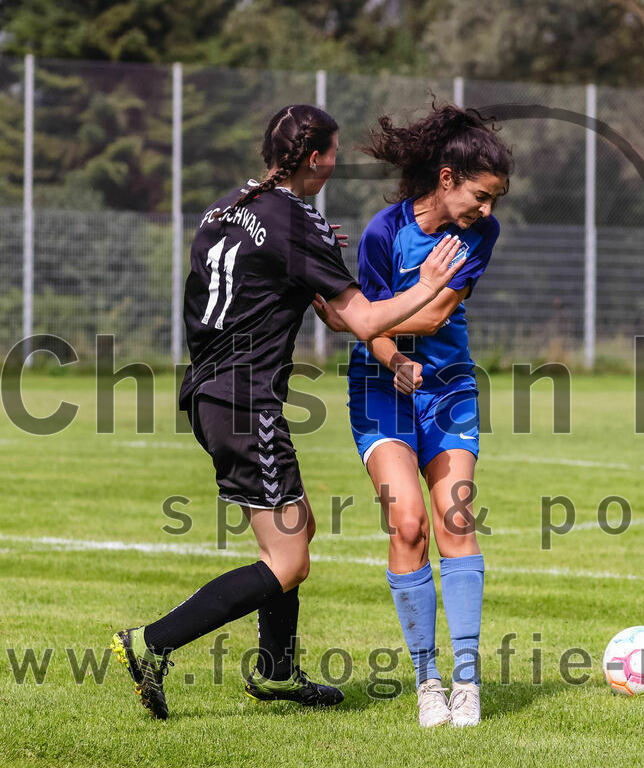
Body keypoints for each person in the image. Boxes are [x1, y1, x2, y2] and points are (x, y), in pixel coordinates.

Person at [111, 104, 465, 719]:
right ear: (312, 158)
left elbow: (261, 276)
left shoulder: (229, 206)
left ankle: (277, 671)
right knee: (288, 560)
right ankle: (151, 643)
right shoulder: (296, 221)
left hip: (210, 390)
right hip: (245, 401)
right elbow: (360, 319)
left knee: (297, 527)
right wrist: (429, 280)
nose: (333, 165)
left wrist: (315, 265)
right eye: (330, 154)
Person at [314, 103, 512, 728]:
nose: (488, 210)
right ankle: (427, 680)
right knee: (407, 526)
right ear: (447, 178)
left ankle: (467, 681)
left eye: (495, 199)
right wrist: (390, 354)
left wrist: (359, 317)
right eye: (481, 195)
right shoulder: (382, 232)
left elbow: (428, 317)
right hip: (380, 387)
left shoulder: (479, 236)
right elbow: (370, 329)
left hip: (448, 386)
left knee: (455, 517)